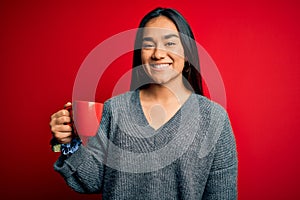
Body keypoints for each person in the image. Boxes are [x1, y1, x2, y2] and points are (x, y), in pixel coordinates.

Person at [49, 7, 238, 199]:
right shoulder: (115, 109)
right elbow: (91, 181)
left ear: (187, 53)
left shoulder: (214, 119)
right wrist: (67, 142)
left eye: (170, 43)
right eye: (148, 44)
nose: (157, 54)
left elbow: (222, 195)